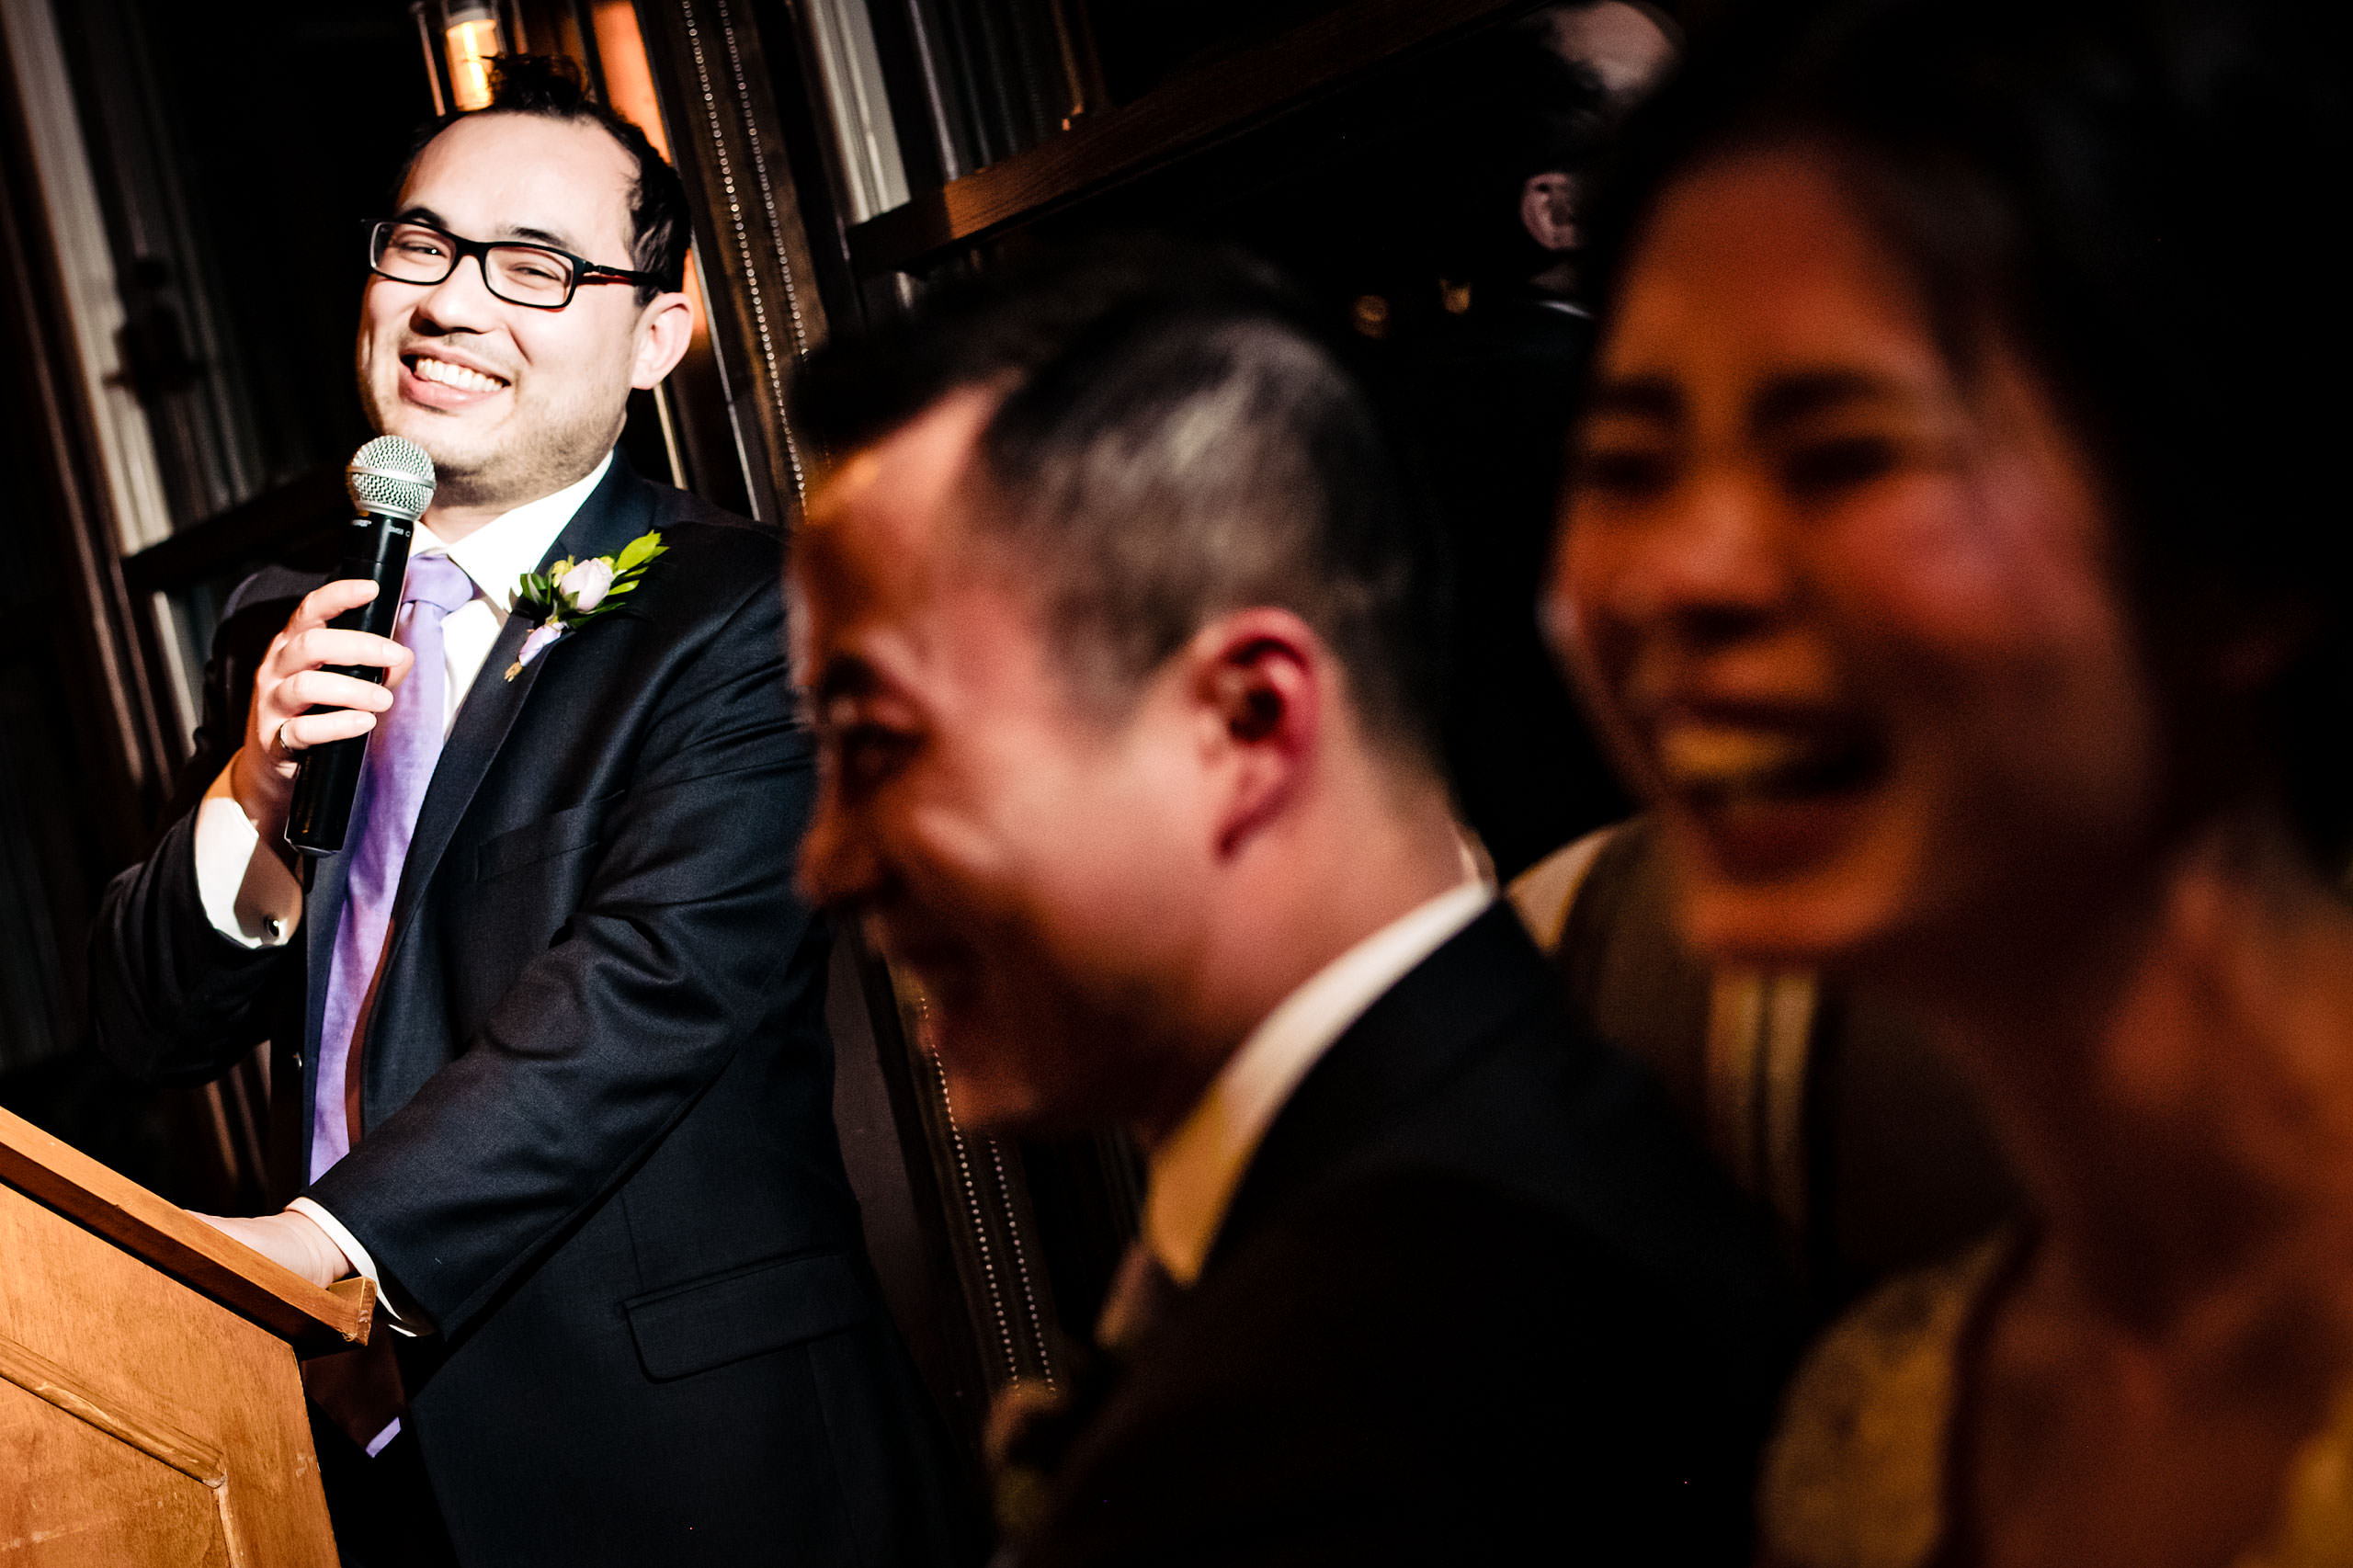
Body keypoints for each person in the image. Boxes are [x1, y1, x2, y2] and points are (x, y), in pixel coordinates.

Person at [786, 243, 1796, 1565]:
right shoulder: (1458, 1159)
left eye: (879, 744)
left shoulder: (1374, 1395)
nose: (826, 861)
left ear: (1247, 718)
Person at [90, 57, 969, 1568]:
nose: (449, 303)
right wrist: (252, 787)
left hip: (690, 1462)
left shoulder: (752, 613)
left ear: (657, 337)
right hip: (353, 1473)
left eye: (539, 266)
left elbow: (653, 985)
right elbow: (143, 1022)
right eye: (421, 245)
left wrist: (321, 1253)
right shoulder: (285, 617)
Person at [1547, 0, 2353, 1562]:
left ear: (2240, 556)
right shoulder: (1881, 1422)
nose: (1675, 580)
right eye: (1630, 465)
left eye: (1843, 451)